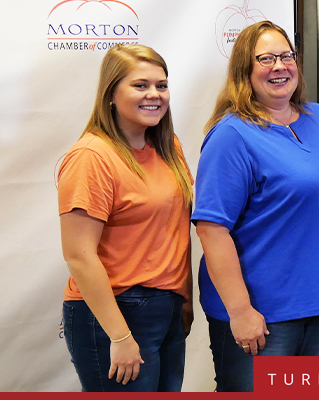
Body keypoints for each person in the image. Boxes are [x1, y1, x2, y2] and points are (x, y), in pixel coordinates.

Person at [193, 20, 319, 392]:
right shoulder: (232, 135)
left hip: (317, 304)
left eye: (286, 56)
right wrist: (240, 311)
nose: (279, 66)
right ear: (245, 70)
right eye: (266, 58)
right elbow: (211, 227)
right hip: (262, 315)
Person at [58, 44, 194, 392]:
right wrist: (118, 336)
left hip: (166, 308)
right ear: (111, 95)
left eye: (161, 85)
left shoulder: (168, 147)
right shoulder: (92, 156)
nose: (154, 94)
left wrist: (184, 299)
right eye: (140, 85)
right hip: (116, 313)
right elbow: (79, 254)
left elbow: (175, 231)